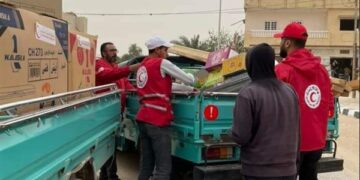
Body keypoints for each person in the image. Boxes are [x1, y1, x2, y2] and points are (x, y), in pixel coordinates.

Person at [274, 22, 334, 180]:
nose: (279, 43)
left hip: (290, 144)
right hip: (316, 143)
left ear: (287, 43)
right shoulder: (322, 71)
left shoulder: (282, 70)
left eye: (281, 40)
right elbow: (329, 106)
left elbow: (272, 108)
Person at [231, 43, 300, 180]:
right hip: (288, 170)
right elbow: (298, 132)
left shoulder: (248, 93)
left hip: (258, 171)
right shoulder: (290, 91)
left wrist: (230, 131)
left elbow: (241, 136)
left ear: (251, 64)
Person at [136, 36, 195, 180]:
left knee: (146, 165)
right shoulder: (162, 63)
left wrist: (183, 88)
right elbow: (188, 79)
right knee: (163, 168)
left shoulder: (142, 66)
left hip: (143, 118)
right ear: (157, 50)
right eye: (165, 49)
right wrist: (193, 79)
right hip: (158, 120)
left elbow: (160, 86)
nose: (167, 53)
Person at [96, 42, 139, 180]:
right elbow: (107, 76)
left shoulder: (115, 67)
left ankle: (106, 175)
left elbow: (126, 85)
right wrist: (130, 68)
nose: (115, 53)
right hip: (103, 114)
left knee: (111, 146)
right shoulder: (99, 65)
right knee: (107, 146)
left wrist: (140, 92)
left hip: (115, 113)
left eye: (115, 50)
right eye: (111, 50)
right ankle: (111, 176)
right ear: (104, 53)